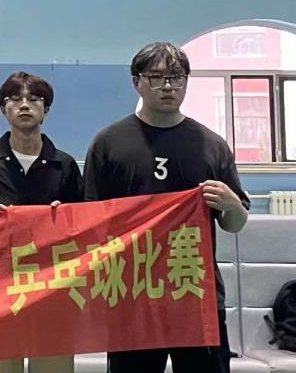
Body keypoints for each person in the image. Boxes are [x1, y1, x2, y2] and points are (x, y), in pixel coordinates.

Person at [84, 42, 249, 373]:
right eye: (156, 77)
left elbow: (234, 223)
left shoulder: (211, 145)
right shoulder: (108, 143)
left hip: (194, 291)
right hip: (133, 295)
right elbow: (90, 221)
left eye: (177, 77)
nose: (168, 86)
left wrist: (232, 204)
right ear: (137, 82)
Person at [0, 71, 81, 373]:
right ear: (3, 108)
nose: (24, 105)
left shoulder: (64, 164)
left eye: (34, 99)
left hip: (52, 286)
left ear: (46, 110)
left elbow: (85, 222)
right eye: (15, 99)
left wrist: (65, 215)